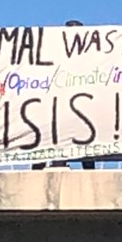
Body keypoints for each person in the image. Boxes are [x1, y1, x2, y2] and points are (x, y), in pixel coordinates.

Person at [32, 19, 96, 170]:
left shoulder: (92, 56)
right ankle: (38, 169)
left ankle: (89, 171)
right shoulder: (53, 54)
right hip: (55, 106)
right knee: (47, 138)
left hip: (80, 106)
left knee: (85, 140)